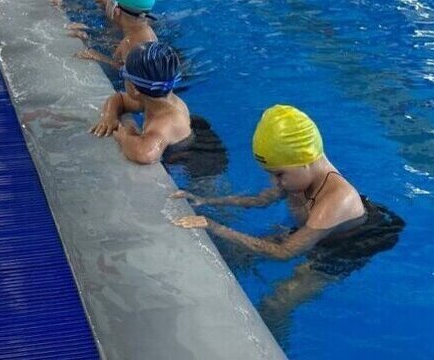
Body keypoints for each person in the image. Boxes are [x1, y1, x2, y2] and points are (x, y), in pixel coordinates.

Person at [172, 105, 403, 266]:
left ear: (305, 161)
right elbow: (260, 200)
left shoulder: (337, 200)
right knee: (239, 257)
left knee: (280, 299)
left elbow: (285, 253)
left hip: (350, 242)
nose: (276, 183)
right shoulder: (296, 174)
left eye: (279, 174)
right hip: (313, 230)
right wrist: (207, 200)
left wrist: (215, 226)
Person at [89, 42, 193, 164]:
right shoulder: (153, 100)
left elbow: (145, 154)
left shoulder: (164, 123)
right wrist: (110, 116)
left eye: (124, 75)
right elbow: (119, 98)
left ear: (134, 88)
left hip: (186, 156)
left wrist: (124, 138)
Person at [76, 0, 157, 67]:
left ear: (116, 10)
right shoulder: (138, 33)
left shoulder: (136, 45)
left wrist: (99, 57)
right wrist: (88, 34)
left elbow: (127, 73)